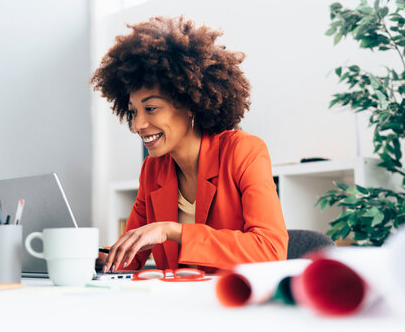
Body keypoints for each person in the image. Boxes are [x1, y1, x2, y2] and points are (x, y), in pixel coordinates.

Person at [91, 16, 288, 274]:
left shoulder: (243, 152)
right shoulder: (153, 171)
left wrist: (171, 231)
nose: (138, 124)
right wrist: (93, 257)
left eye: (150, 109)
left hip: (233, 304)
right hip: (180, 304)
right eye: (133, 112)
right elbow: (130, 258)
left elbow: (271, 251)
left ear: (190, 106)